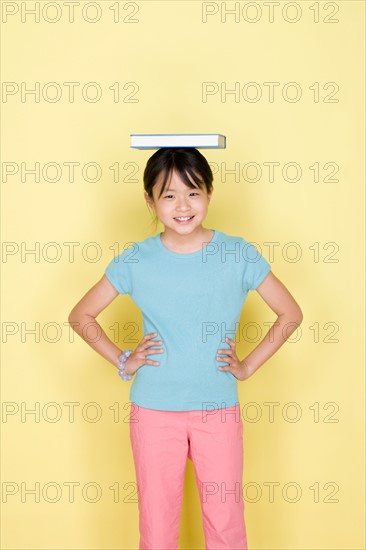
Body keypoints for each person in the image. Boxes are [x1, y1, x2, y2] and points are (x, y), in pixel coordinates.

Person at [68, 147, 303, 550]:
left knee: (226, 526)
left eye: (193, 192)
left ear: (210, 192)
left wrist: (246, 367)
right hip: (154, 412)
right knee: (157, 529)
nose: (182, 206)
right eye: (169, 194)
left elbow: (290, 314)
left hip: (218, 410)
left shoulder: (237, 253)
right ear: (149, 200)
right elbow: (81, 317)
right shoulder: (137, 260)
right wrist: (125, 359)